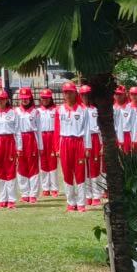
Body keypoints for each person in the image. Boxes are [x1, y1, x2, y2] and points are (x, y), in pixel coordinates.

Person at [57, 83, 90, 213]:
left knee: (80, 173)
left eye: (70, 92)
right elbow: (57, 130)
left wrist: (88, 147)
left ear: (75, 93)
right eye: (65, 92)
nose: (68, 95)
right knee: (67, 173)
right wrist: (57, 148)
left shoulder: (83, 109)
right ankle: (71, 202)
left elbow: (87, 129)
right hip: (64, 142)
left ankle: (81, 203)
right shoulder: (60, 109)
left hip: (79, 142)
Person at [0, 89, 21, 208]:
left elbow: (18, 131)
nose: (0, 101)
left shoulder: (13, 113)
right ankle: (2, 199)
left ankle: (11, 200)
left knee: (10, 171)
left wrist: (19, 148)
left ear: (7, 100)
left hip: (9, 142)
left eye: (2, 99)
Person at [14, 88, 41, 204]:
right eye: (22, 98)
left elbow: (39, 130)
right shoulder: (15, 111)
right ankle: (25, 193)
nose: (24, 100)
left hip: (31, 139)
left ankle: (33, 194)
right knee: (21, 167)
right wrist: (16, 145)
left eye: (26, 98)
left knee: (33, 168)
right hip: (20, 139)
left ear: (30, 98)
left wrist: (40, 147)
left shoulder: (35, 112)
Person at [79, 85, 103, 206]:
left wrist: (102, 144)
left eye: (87, 95)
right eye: (83, 95)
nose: (85, 97)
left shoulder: (95, 109)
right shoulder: (78, 110)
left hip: (94, 138)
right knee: (84, 168)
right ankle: (88, 195)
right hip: (81, 140)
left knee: (95, 167)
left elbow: (101, 129)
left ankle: (96, 195)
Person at [36, 89, 60, 197]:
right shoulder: (37, 111)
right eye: (43, 98)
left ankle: (54, 188)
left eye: (47, 98)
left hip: (52, 136)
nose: (45, 100)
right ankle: (45, 188)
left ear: (51, 98)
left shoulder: (56, 110)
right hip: (41, 137)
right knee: (43, 163)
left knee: (53, 163)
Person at [114, 86, 133, 153]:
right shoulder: (111, 108)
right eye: (116, 94)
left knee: (127, 155)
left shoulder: (131, 107)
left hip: (127, 135)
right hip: (114, 135)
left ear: (125, 95)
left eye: (120, 94)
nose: (118, 96)